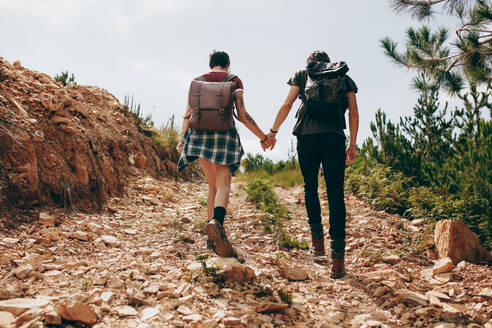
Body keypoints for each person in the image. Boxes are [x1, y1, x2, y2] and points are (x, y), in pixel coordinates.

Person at [265, 50, 359, 278]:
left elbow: (287, 104)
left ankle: (318, 247)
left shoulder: (302, 74)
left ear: (310, 64)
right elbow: (354, 113)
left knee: (310, 187)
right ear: (328, 63)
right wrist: (353, 144)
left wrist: (273, 131)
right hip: (334, 137)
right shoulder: (343, 77)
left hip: (307, 137)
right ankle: (338, 261)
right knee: (336, 194)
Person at [177, 50, 273, 257]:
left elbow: (188, 113)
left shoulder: (197, 82)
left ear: (210, 64)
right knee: (223, 184)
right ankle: (217, 224)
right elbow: (242, 115)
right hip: (223, 135)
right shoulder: (234, 80)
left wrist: (182, 138)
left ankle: (211, 239)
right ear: (228, 64)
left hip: (198, 135)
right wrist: (263, 137)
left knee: (211, 185)